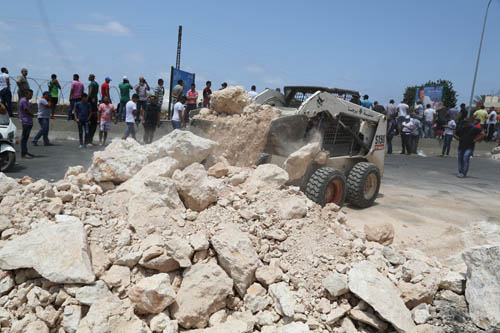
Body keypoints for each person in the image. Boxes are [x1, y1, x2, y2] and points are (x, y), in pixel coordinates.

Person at [18, 89, 34, 158]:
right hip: (25, 121)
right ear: (26, 94)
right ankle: (23, 153)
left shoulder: (26, 100)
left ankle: (25, 151)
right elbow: (26, 110)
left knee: (26, 138)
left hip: (28, 121)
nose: (31, 96)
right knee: (24, 138)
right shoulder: (24, 100)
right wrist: (32, 114)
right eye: (30, 94)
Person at [87, 74, 99, 146]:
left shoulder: (92, 83)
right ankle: (90, 140)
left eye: (89, 76)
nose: (88, 77)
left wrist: (88, 98)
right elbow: (96, 92)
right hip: (95, 99)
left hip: (91, 100)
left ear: (92, 77)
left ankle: (88, 141)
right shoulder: (96, 83)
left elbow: (90, 92)